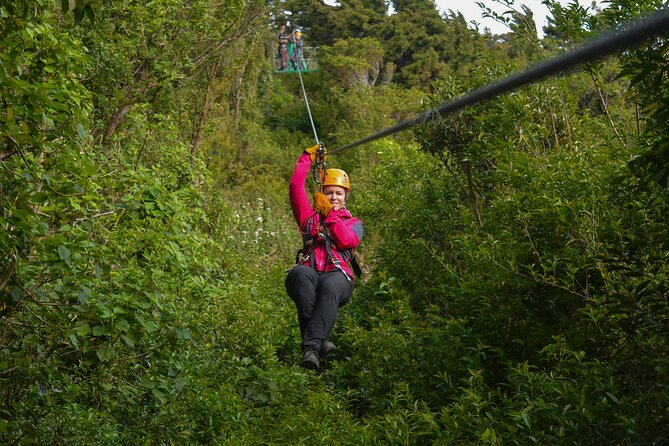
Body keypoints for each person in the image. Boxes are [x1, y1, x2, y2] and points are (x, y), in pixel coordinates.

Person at [285, 145, 363, 371]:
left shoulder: (354, 223)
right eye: (329, 192)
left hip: (337, 276)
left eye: (339, 193)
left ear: (345, 196)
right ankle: (317, 344)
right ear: (321, 193)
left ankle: (311, 346)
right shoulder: (309, 219)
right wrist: (306, 159)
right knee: (301, 273)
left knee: (330, 284)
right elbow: (294, 186)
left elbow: (347, 241)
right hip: (309, 271)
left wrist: (329, 215)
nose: (333, 197)